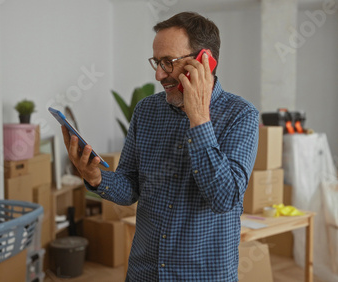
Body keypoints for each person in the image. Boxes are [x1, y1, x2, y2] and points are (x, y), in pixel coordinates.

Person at [62, 11, 259, 281]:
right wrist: (96, 178)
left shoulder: (241, 115)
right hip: (145, 273)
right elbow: (131, 187)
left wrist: (199, 119)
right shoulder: (146, 111)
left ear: (205, 61)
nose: (158, 75)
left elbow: (224, 199)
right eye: (156, 62)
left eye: (168, 62)